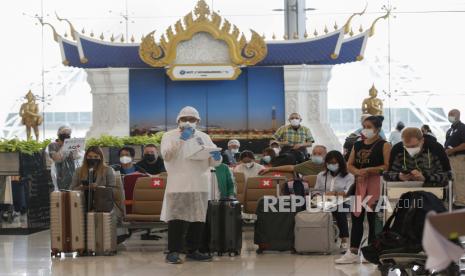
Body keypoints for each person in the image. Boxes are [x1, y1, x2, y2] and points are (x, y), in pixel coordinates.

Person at [160, 106, 222, 264]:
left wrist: (217, 156)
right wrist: (181, 140)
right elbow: (167, 155)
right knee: (177, 219)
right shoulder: (169, 136)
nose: (188, 122)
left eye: (192, 119)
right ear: (178, 121)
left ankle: (193, 250)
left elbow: (214, 161)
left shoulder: (204, 136)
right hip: (178, 183)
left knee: (198, 219)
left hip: (200, 183)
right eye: (185, 119)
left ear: (198, 121)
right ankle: (173, 252)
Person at [336, 116, 391, 264]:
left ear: (377, 129)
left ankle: (372, 251)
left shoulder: (384, 145)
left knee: (374, 219)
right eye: (363, 126)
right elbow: (349, 165)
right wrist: (358, 172)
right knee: (356, 218)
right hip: (359, 184)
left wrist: (370, 170)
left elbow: (387, 166)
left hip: (376, 184)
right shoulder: (358, 145)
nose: (365, 129)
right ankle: (353, 251)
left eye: (368, 126)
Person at [314, 150, 354, 251]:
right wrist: (318, 196)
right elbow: (316, 190)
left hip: (343, 202)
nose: (331, 165)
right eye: (329, 163)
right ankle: (317, 239)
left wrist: (335, 193)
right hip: (324, 202)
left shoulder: (349, 176)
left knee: (340, 210)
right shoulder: (321, 175)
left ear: (340, 163)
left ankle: (344, 240)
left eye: (334, 163)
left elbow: (347, 192)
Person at [385, 127, 450, 187]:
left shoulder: (436, 149)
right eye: (407, 146)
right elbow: (388, 174)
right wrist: (399, 176)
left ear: (422, 140)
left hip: (433, 189)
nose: (410, 149)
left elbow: (448, 174)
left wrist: (425, 178)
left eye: (413, 146)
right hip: (404, 190)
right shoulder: (397, 150)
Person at [47, 126, 81, 190]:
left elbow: (76, 157)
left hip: (71, 170)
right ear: (58, 134)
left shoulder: (71, 144)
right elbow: (57, 159)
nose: (66, 135)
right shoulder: (52, 145)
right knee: (60, 190)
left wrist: (74, 147)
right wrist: (65, 146)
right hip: (58, 171)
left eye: (68, 134)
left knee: (72, 188)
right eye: (63, 133)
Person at [260, 145, 327, 177]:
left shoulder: (329, 165)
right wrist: (270, 169)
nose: (316, 155)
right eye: (314, 154)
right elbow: (291, 167)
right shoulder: (308, 164)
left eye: (320, 154)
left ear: (326, 155)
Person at [444, 109, 465, 207]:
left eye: (452, 114)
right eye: (449, 114)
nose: (450, 116)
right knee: (451, 180)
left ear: (458, 115)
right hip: (449, 159)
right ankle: (452, 201)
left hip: (459, 158)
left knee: (460, 180)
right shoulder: (450, 130)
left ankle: (461, 203)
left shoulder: (462, 128)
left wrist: (453, 150)